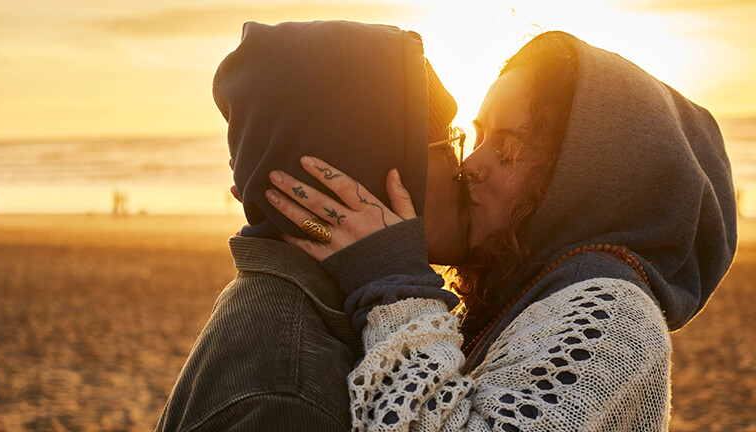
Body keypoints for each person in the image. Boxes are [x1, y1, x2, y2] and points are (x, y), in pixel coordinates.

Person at [268, 31, 737, 430]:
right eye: (478, 137)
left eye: (508, 151)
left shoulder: (615, 318)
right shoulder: (527, 292)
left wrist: (392, 285)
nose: (470, 164)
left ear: (587, 181)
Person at [155, 20, 467, 431]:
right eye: (447, 143)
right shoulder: (292, 395)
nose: (463, 169)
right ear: (365, 171)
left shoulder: (297, 306)